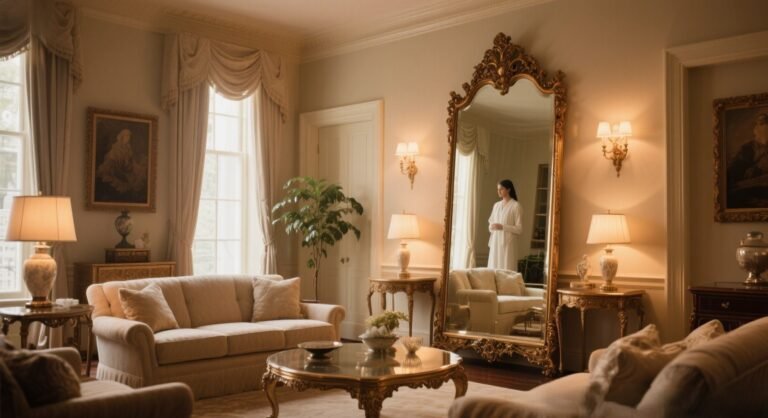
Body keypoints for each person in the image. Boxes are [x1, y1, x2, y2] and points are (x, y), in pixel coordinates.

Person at [727, 112, 768, 208]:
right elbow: (733, 173)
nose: (763, 129)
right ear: (756, 130)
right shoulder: (747, 148)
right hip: (749, 190)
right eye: (761, 125)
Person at [487, 179, 523, 271]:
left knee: (507, 268)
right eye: (498, 189)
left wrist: (503, 227)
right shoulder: (496, 205)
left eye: (501, 189)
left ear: (508, 189)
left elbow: (519, 229)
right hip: (495, 242)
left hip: (508, 243)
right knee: (494, 267)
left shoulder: (516, 206)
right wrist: (492, 226)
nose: (498, 191)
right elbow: (490, 222)